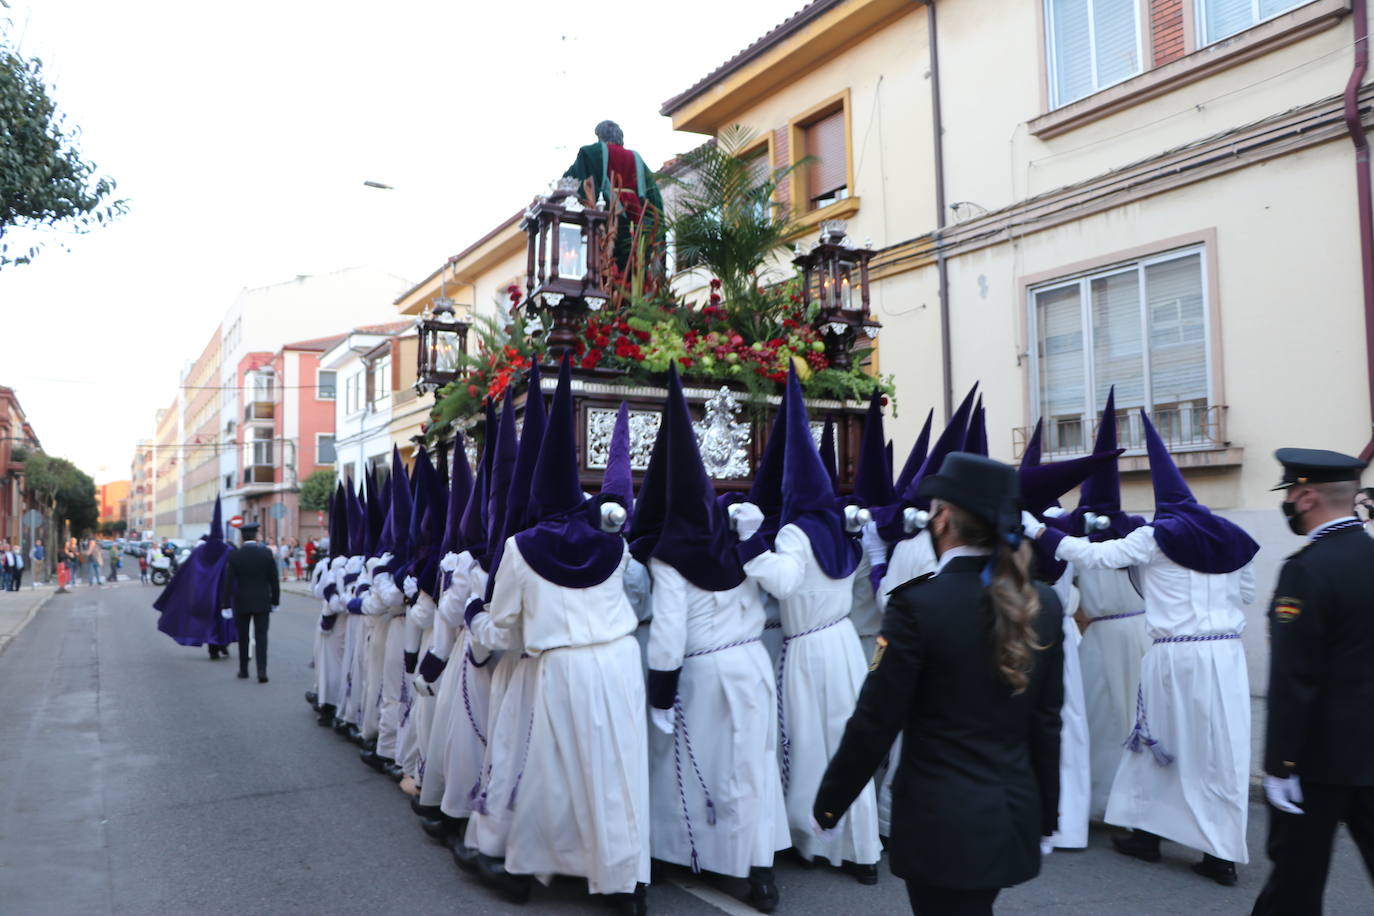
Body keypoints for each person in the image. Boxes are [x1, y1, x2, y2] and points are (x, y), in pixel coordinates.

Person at [813, 451, 1064, 916]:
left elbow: (875, 721)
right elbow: (1046, 724)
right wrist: (1047, 817)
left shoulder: (919, 606)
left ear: (944, 518)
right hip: (1011, 811)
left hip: (939, 822)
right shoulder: (1043, 602)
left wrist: (829, 805)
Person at [1026, 410, 1259, 887]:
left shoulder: (1157, 536)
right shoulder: (1235, 539)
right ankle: (1216, 853)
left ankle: (1149, 836)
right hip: (1226, 654)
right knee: (1218, 752)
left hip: (1174, 655)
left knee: (1156, 747)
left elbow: (1093, 555)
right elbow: (1248, 594)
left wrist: (1036, 532)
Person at [631, 367, 788, 912]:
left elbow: (669, 633)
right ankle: (760, 868)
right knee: (752, 766)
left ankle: (692, 852)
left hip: (703, 676)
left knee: (702, 766)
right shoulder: (743, 538)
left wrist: (658, 695)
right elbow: (777, 587)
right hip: (752, 666)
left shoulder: (670, 555)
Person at [737, 368, 881, 883]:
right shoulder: (844, 529)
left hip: (806, 648)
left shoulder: (796, 532)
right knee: (848, 744)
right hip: (842, 642)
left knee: (810, 743)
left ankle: (813, 841)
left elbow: (784, 582)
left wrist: (751, 542)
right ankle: (861, 849)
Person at [1251, 448, 1374, 915]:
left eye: (1290, 493)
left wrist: (1280, 764)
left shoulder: (1306, 570)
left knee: (1295, 885)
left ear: (1305, 497)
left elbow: (1294, 678)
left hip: (1319, 761)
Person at [563, 119, 665, 270]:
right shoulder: (636, 158)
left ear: (600, 136)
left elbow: (570, 180)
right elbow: (654, 197)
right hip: (636, 217)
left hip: (608, 213)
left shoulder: (592, 152)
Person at [220, 521, 280, 682]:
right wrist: (275, 601)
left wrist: (225, 604)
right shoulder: (266, 553)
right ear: (257, 536)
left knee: (243, 636)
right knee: (261, 637)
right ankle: (262, 671)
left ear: (241, 537)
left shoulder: (235, 555)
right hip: (262, 601)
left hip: (242, 601)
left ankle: (243, 670)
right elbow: (274, 580)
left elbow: (229, 582)